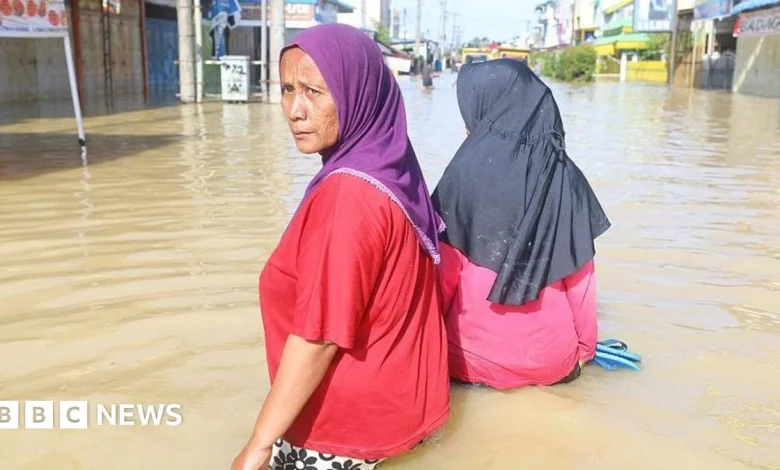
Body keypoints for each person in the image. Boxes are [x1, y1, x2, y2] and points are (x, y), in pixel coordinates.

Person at [231, 24, 449, 470]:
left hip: (343, 437)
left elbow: (319, 335)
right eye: (287, 89)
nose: (294, 110)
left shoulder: (348, 197)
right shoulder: (392, 168)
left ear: (357, 94)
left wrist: (259, 442)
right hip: (405, 414)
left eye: (314, 91)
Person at [431, 59, 611, 390]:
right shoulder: (564, 177)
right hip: (552, 363)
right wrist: (585, 349)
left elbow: (442, 281)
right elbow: (581, 282)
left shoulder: (461, 176)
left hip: (468, 361)